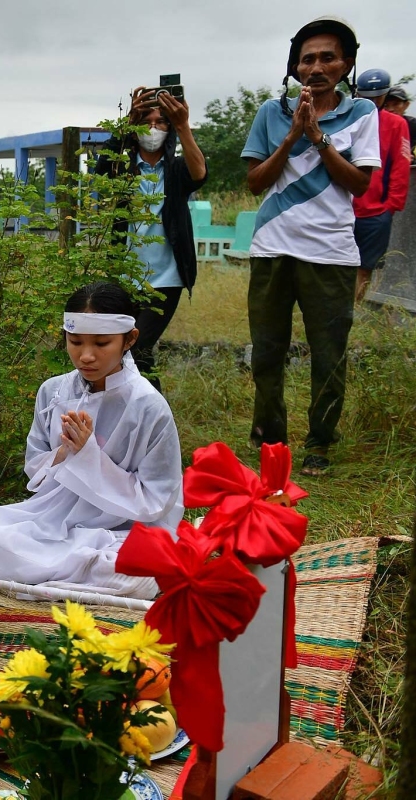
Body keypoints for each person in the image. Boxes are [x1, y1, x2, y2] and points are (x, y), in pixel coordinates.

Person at [0, 282, 182, 600]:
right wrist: (66, 452)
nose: (86, 356)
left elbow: (157, 500)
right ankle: (56, 575)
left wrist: (89, 456)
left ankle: (43, 574)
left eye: (101, 343)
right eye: (75, 342)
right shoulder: (54, 391)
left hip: (120, 533)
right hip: (50, 523)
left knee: (134, 574)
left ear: (129, 339)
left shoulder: (148, 405)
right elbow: (36, 473)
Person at [241, 16, 379, 476]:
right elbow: (255, 183)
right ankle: (270, 440)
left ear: (347, 64)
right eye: (307, 59)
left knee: (328, 353)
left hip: (331, 254)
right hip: (272, 250)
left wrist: (318, 138)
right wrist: (294, 134)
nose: (316, 67)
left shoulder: (363, 114)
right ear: (295, 67)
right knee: (266, 351)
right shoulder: (269, 112)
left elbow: (360, 184)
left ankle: (319, 443)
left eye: (327, 57)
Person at [96, 87, 207, 391]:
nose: (153, 128)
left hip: (166, 278)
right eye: (146, 121)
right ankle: (151, 418)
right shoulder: (124, 169)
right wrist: (128, 121)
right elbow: (101, 169)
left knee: (136, 347)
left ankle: (151, 418)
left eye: (161, 122)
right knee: (133, 354)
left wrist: (183, 124)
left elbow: (200, 174)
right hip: (126, 275)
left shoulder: (176, 169)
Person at [352, 69, 411, 301]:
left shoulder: (396, 124)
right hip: (344, 206)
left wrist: (391, 206)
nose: (372, 101)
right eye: (367, 96)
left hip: (376, 210)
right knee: (333, 264)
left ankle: (353, 310)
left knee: (365, 266)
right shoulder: (349, 118)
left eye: (377, 96)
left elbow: (400, 166)